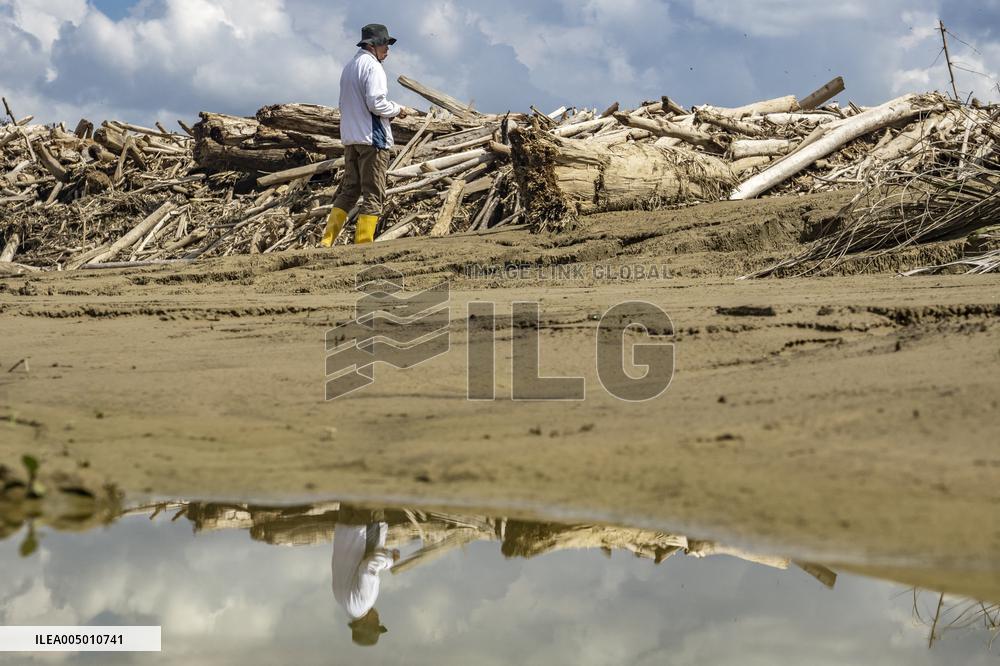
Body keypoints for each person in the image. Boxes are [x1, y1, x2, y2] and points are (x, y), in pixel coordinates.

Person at [322, 23, 414, 247]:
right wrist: (399, 109)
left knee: (349, 191)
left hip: (351, 139)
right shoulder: (373, 68)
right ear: (372, 45)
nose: (387, 50)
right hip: (372, 140)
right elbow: (376, 104)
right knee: (374, 192)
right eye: (385, 44)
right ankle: (364, 243)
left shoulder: (350, 67)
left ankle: (327, 241)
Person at [331, 506, 400, 647]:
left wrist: (390, 561)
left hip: (363, 530)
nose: (379, 618)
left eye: (377, 623)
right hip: (344, 529)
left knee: (372, 488)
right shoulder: (342, 601)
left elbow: (369, 566)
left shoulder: (364, 603)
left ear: (369, 624)